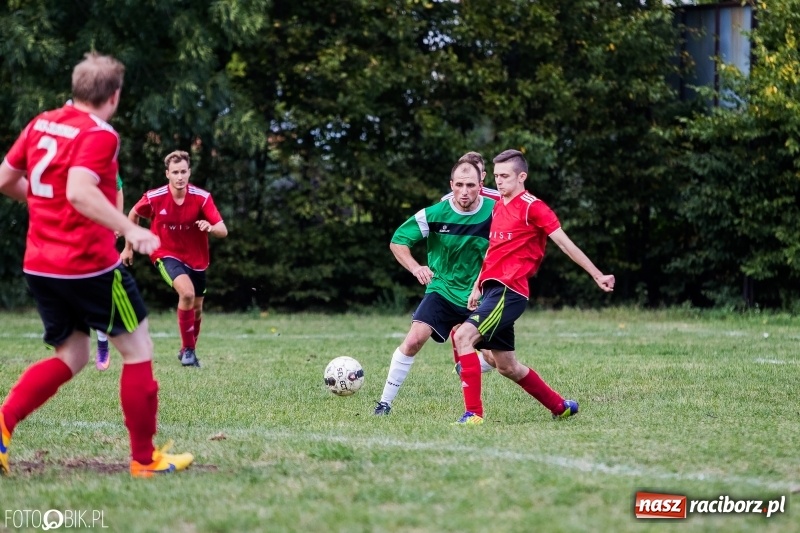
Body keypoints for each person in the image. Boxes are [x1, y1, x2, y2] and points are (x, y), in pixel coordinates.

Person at [0, 52, 193, 477]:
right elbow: (78, 192)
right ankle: (144, 460)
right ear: (114, 95)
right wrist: (131, 228)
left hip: (40, 264)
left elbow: (5, 179)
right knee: (138, 350)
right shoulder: (100, 133)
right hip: (89, 266)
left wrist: (42, 203)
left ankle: (3, 424)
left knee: (72, 354)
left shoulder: (41, 123)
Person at [452, 149, 615, 425]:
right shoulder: (498, 206)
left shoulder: (533, 207)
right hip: (492, 289)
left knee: (462, 337)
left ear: (522, 176)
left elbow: (565, 243)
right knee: (505, 366)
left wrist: (597, 274)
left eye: (504, 176)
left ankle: (474, 414)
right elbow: (494, 250)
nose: (498, 182)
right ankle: (560, 406)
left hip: (510, 290)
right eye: (496, 176)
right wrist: (477, 285)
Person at [374, 158, 496, 416]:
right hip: (441, 289)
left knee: (499, 361)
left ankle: (467, 365)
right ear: (451, 185)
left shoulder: (495, 211)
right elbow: (398, 241)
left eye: (470, 185)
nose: (464, 191)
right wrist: (416, 267)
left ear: (481, 185)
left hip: (478, 294)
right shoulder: (435, 213)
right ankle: (384, 403)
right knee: (414, 339)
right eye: (459, 185)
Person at [122, 150, 228, 368]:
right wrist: (128, 248)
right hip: (164, 253)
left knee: (197, 307)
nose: (180, 177)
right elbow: (133, 213)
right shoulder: (154, 197)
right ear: (167, 174)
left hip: (197, 258)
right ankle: (189, 353)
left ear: (189, 173)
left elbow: (223, 230)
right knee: (187, 293)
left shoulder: (201, 197)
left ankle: (187, 349)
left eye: (183, 172)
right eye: (175, 172)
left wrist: (210, 227)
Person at [95, 172, 124, 371]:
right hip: (73, 229)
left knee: (100, 288)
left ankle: (102, 343)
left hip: (101, 230)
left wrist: (117, 219)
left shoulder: (106, 163)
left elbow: (118, 189)